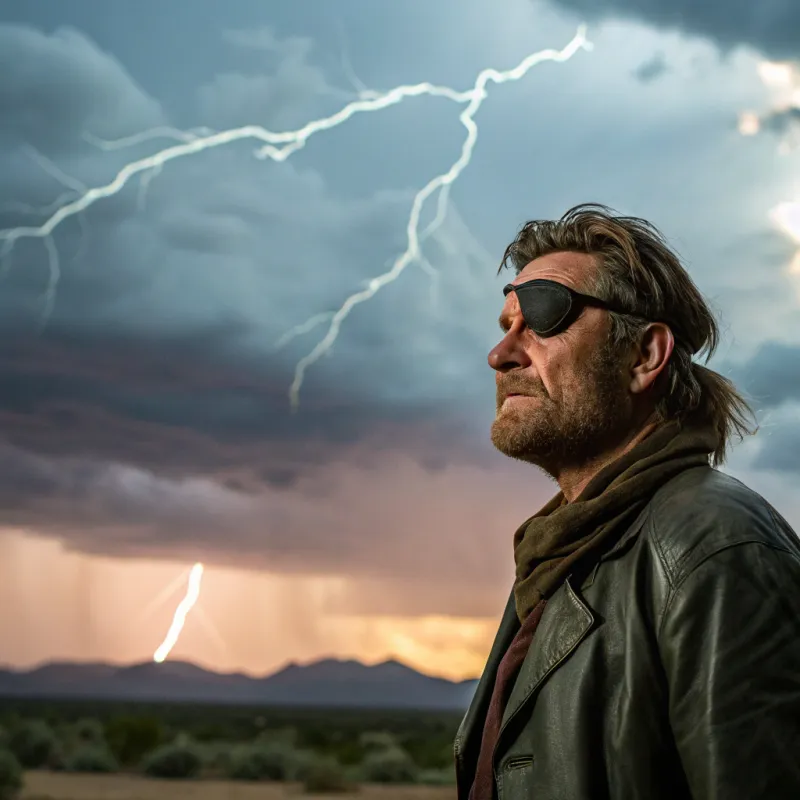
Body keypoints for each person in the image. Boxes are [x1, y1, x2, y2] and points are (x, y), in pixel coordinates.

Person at [455, 203, 800, 800]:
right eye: (505, 324)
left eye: (541, 317)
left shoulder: (712, 547)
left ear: (644, 356)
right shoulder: (560, 554)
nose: (502, 354)